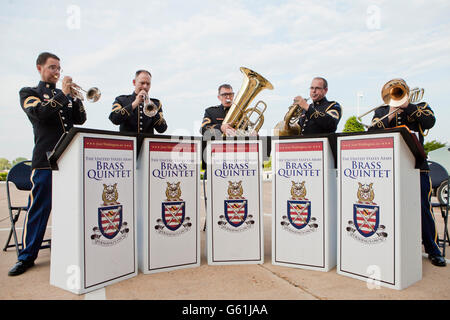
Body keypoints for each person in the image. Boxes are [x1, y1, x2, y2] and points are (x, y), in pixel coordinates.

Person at [8, 52, 87, 276]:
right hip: (45, 160)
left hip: (70, 159)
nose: (57, 72)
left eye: (58, 68)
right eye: (52, 67)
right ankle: (26, 257)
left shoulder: (66, 96)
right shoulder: (30, 93)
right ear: (39, 68)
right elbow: (40, 114)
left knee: (74, 207)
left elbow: (80, 120)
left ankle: (74, 249)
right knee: (40, 209)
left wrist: (77, 99)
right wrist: (63, 93)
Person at [368, 78, 446, 267]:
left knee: (422, 207)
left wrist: (407, 106)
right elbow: (371, 131)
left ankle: (432, 248)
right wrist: (390, 115)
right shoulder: (381, 111)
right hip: (390, 168)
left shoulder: (421, 106)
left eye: (398, 91)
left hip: (417, 166)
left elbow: (429, 121)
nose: (395, 95)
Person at [109, 70, 167, 134]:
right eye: (142, 83)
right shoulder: (121, 100)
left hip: (147, 143)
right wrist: (135, 103)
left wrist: (153, 111)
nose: (145, 86)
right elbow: (115, 119)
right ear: (134, 82)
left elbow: (162, 129)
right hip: (128, 143)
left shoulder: (156, 103)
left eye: (148, 84)